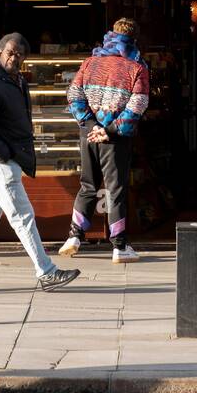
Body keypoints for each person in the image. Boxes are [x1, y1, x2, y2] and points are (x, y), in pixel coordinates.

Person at [0, 33, 81, 293]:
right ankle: (47, 272)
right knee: (22, 215)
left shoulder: (16, 80)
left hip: (4, 157)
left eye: (19, 54)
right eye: (10, 52)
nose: (14, 57)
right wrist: (5, 153)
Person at [60, 18, 150, 263]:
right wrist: (108, 130)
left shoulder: (90, 62)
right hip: (115, 138)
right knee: (115, 190)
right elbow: (137, 104)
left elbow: (73, 95)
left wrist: (91, 125)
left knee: (88, 185)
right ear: (133, 39)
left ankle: (74, 237)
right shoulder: (137, 67)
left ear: (110, 35)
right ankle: (119, 246)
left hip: (88, 134)